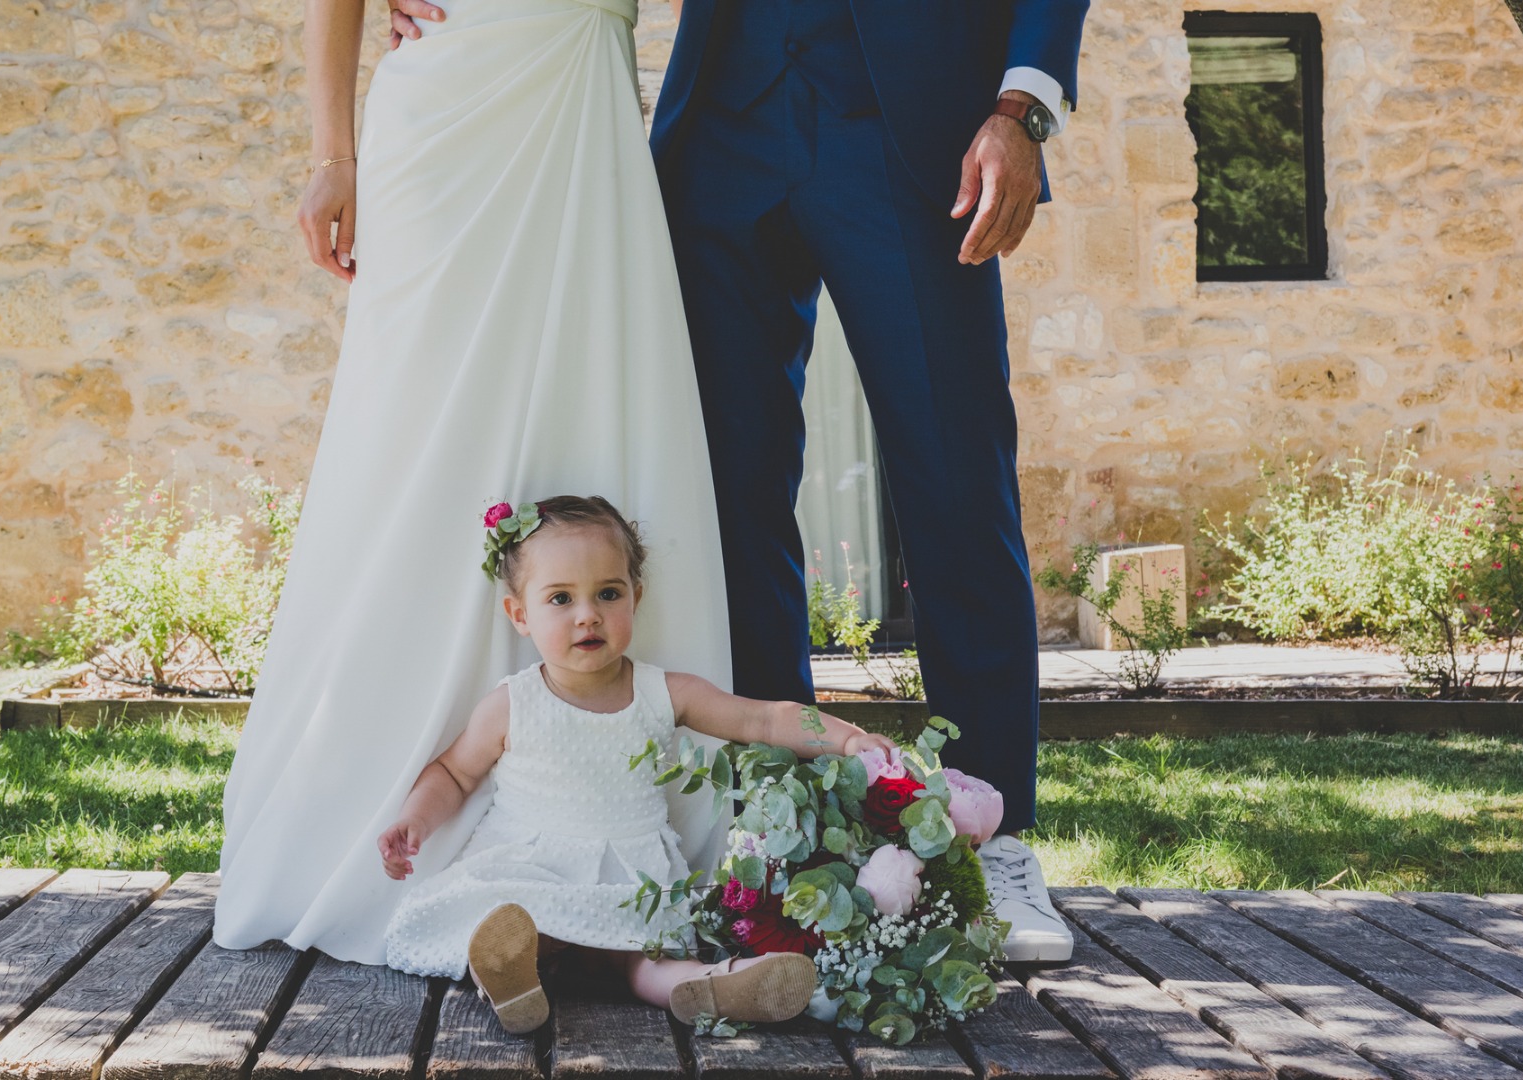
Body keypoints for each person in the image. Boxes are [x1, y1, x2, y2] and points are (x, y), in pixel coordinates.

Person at [385, 0, 1091, 961]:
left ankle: (996, 836)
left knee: (956, 480)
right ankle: (785, 832)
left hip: (917, 129)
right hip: (724, 125)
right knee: (733, 500)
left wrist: (1023, 106)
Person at [214, 0, 736, 961]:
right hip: (448, 105)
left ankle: (598, 820)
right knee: (412, 443)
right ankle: (393, 811)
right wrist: (335, 154)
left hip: (580, 92)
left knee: (591, 395)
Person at [379, 496, 896, 1030]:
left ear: (635, 597)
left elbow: (761, 721)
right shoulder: (514, 703)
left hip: (632, 876)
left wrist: (846, 738)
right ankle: (512, 978)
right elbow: (454, 772)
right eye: (560, 598)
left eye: (608, 593)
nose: (588, 614)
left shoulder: (659, 692)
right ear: (520, 614)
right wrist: (415, 820)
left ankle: (715, 985)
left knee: (646, 957)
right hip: (529, 863)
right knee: (508, 917)